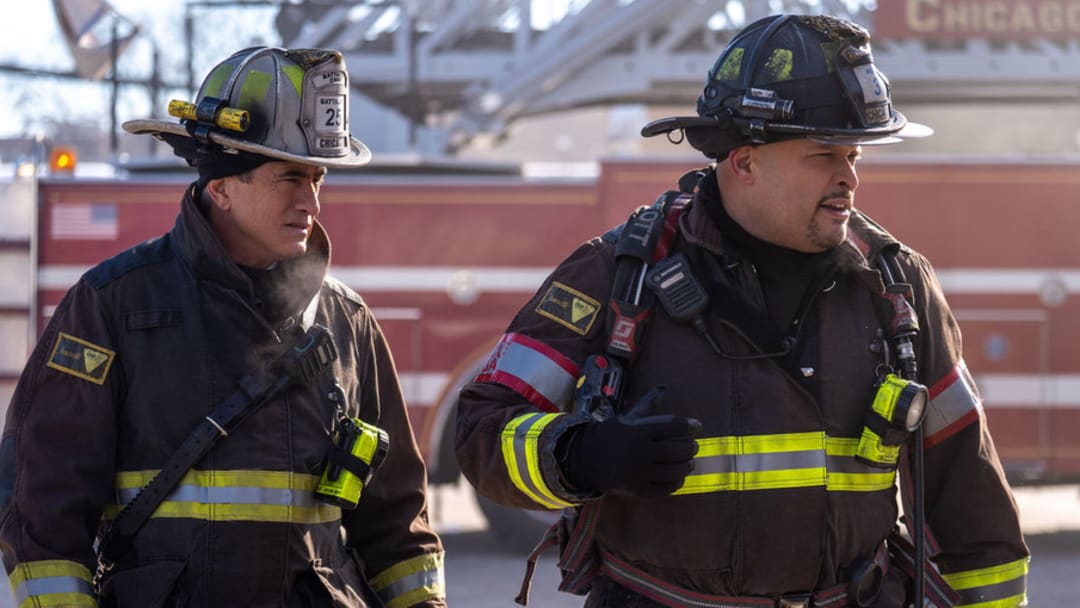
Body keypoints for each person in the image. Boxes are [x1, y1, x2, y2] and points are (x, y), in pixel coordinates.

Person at [455, 14, 1028, 608]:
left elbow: (970, 501)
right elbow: (481, 431)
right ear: (745, 162)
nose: (850, 177)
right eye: (824, 154)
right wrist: (582, 455)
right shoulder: (616, 275)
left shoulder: (896, 285)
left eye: (855, 154)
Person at [0, 47, 445, 608]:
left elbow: (397, 519)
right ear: (222, 188)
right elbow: (43, 504)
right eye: (289, 177)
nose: (310, 201)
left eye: (317, 179)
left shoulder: (345, 321)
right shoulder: (113, 307)